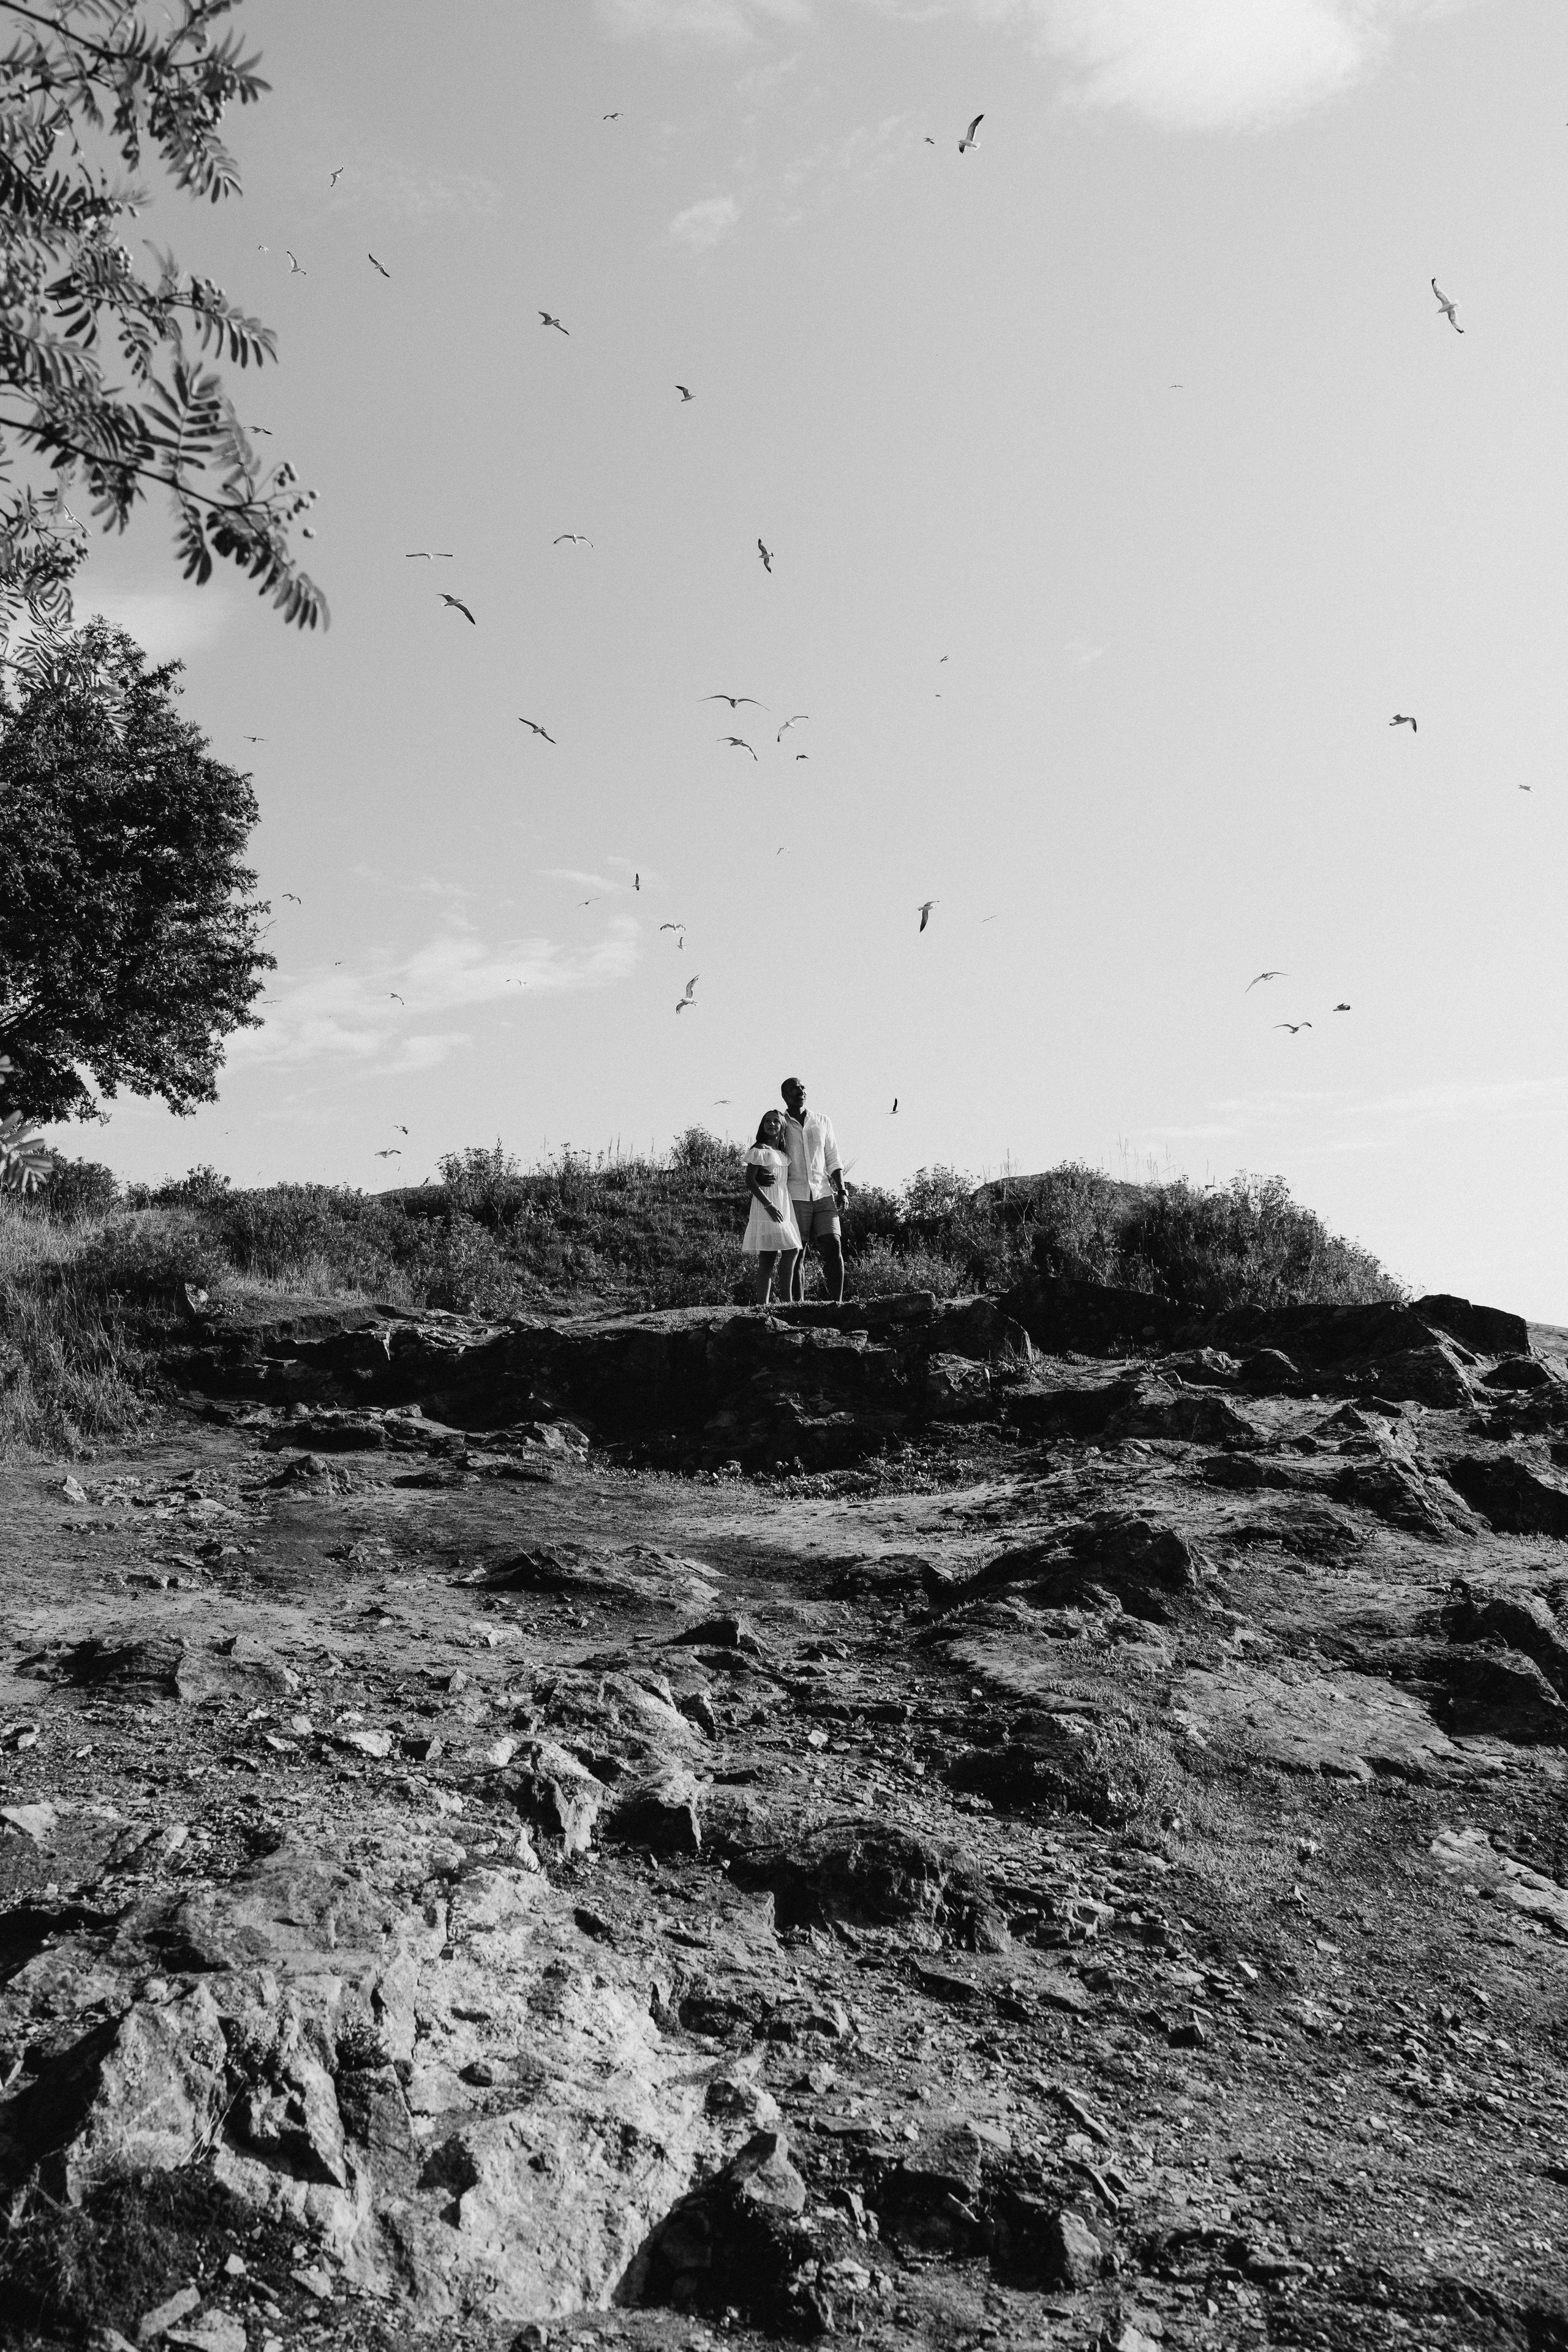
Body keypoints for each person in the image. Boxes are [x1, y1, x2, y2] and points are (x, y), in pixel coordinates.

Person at [779, 1074, 846, 1303]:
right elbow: (770, 1152)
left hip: (824, 1193)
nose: (801, 1091)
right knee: (798, 1252)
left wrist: (842, 1190)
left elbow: (833, 1158)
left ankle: (837, 1304)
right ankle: (799, 1306)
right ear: (784, 1095)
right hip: (795, 1195)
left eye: (802, 1087)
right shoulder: (781, 1123)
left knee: (834, 1245)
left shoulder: (822, 1121)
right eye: (794, 1088)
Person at [741, 1110, 801, 1304]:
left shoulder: (783, 1154)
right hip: (767, 1205)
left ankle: (786, 1302)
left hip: (783, 1203)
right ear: (762, 1126)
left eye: (776, 1121)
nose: (771, 1124)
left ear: (782, 1127)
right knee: (770, 1256)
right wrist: (769, 1205)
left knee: (791, 1249)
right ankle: (766, 1304)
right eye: (767, 1121)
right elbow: (750, 1181)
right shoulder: (760, 1149)